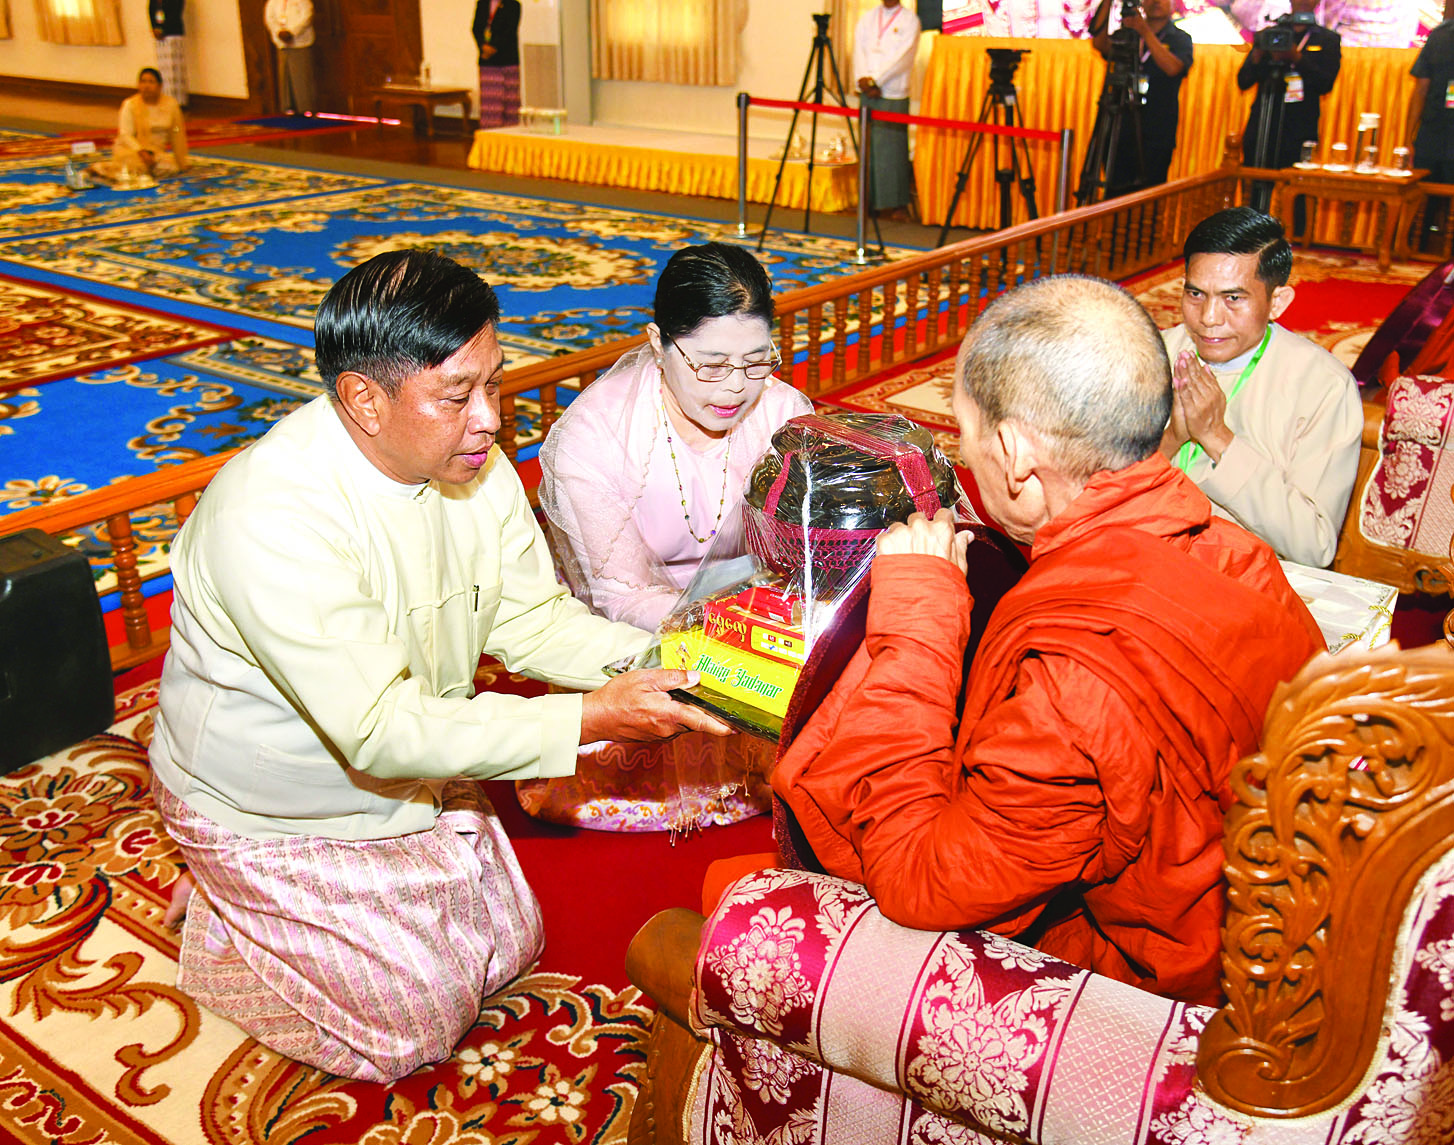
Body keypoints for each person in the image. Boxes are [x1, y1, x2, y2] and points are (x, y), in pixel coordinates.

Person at [148, 249, 729, 1083]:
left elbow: (529, 619)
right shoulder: (272, 515)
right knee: (414, 1023)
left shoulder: (468, 464)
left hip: (411, 757)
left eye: (494, 383)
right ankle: (224, 913)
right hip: (276, 801)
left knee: (510, 944)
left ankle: (279, 912)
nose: (490, 418)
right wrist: (592, 717)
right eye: (458, 396)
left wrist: (664, 660)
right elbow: (380, 729)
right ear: (364, 399)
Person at [775, 274, 1323, 1006]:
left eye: (966, 435)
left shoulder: (1072, 679)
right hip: (1277, 925)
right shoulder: (1238, 553)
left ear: (1012, 453)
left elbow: (920, 881)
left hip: (1165, 1000)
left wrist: (919, 620)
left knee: (759, 919)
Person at [527, 243, 813, 833]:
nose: (735, 388)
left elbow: (800, 554)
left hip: (756, 618)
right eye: (711, 364)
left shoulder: (782, 412)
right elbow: (617, 593)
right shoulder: (596, 434)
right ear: (658, 344)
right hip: (639, 631)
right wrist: (728, 637)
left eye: (756, 361)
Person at [1160, 207, 1362, 568]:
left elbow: (1314, 546)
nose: (1208, 318)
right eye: (1196, 294)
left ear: (1277, 302)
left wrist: (1218, 438)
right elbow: (1094, 493)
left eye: (1233, 298)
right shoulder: (1154, 353)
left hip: (1247, 577)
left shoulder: (1322, 386)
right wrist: (1173, 437)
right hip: (1148, 555)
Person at [1089, 0, 1194, 195]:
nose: (1156, 2)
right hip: (1121, 128)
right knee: (1115, 194)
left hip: (1156, 133)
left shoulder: (1180, 39)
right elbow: (1100, 43)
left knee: (1149, 196)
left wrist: (1145, 32)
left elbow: (1173, 68)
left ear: (1173, 5)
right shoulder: (1129, 35)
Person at [1238, 0, 1341, 171]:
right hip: (1263, 126)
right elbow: (1243, 81)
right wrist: (1258, 54)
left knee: (1295, 184)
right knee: (1253, 181)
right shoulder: (1269, 35)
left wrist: (1296, 58)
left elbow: (1325, 84)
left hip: (1300, 129)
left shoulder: (1327, 39)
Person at [852, 0, 922, 218]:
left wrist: (876, 80)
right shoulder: (868, 17)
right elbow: (858, 52)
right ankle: (869, 202)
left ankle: (897, 204)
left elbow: (903, 57)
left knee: (892, 150)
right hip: (868, 91)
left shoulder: (910, 20)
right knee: (869, 149)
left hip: (892, 91)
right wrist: (863, 80)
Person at [87, 68, 189, 185]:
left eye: (151, 82)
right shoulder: (130, 105)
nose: (146, 86)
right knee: (136, 168)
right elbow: (125, 134)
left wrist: (181, 162)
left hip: (156, 153)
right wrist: (141, 151)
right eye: (143, 81)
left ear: (160, 86)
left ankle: (140, 173)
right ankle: (101, 169)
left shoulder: (171, 105)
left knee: (170, 168)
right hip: (132, 151)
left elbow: (176, 132)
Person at [1410, 0, 1454, 248]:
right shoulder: (1439, 36)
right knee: (1420, 197)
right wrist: (1408, 137)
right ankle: (1413, 248)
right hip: (1432, 132)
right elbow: (1421, 87)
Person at [473, 0, 522, 129]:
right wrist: (483, 46)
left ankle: (510, 136)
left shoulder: (514, 5)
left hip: (507, 61)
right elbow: (476, 28)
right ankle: (490, 134)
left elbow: (509, 31)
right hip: (487, 62)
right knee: (490, 105)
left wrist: (493, 47)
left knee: (510, 104)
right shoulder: (482, 3)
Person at [263, 0, 315, 115]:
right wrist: (279, 32)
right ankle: (288, 108)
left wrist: (291, 32)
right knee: (285, 78)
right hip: (282, 44)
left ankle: (305, 109)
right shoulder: (273, 2)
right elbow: (270, 19)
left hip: (299, 43)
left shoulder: (303, 1)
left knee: (302, 78)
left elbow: (307, 17)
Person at [149, 0, 187, 109]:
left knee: (175, 70)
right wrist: (155, 28)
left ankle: (178, 101)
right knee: (163, 70)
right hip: (160, 37)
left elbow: (175, 13)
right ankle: (165, 100)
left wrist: (164, 30)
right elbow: (151, 11)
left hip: (173, 35)